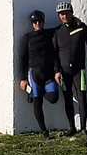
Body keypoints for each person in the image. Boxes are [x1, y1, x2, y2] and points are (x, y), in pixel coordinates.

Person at [52, 1, 87, 137]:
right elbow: (54, 54)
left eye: (66, 13)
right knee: (67, 100)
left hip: (80, 71)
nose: (64, 16)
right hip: (64, 73)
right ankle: (71, 127)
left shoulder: (81, 27)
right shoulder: (57, 32)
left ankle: (83, 129)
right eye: (61, 14)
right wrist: (57, 71)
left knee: (82, 98)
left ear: (71, 13)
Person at [18, 9, 60, 138]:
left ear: (43, 22)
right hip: (34, 73)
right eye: (35, 21)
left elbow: (61, 28)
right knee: (38, 102)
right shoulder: (27, 38)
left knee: (53, 98)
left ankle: (33, 93)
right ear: (32, 23)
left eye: (40, 21)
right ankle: (44, 131)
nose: (37, 23)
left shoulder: (49, 34)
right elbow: (22, 59)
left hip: (48, 74)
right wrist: (23, 78)